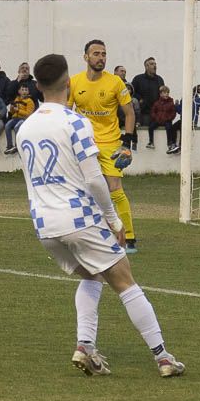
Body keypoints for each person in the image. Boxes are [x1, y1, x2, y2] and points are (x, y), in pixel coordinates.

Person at [17, 53, 184, 378]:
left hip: (44, 224)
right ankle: (164, 358)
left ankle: (85, 347)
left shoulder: (24, 129)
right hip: (78, 217)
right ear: (68, 83)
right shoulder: (74, 122)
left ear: (36, 86)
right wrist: (114, 219)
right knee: (125, 282)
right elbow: (94, 178)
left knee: (91, 277)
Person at [70, 39, 140, 254]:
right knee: (83, 189)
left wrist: (126, 142)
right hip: (84, 144)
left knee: (115, 190)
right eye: (96, 54)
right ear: (86, 57)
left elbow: (129, 112)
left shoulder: (115, 83)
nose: (101, 58)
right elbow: (66, 112)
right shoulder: (74, 82)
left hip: (110, 144)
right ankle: (88, 233)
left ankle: (128, 237)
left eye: (104, 54)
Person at [130, 57, 164, 140]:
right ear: (146, 66)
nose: (155, 66)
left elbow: (163, 93)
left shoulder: (160, 79)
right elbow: (131, 92)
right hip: (144, 113)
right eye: (152, 64)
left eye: (155, 64)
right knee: (143, 135)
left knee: (158, 135)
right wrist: (140, 99)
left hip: (157, 113)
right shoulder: (138, 79)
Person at [3, 84, 36, 155]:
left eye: (26, 90)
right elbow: (12, 112)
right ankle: (9, 146)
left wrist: (18, 110)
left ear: (28, 92)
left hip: (24, 119)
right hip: (15, 118)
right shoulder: (16, 99)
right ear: (19, 91)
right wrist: (12, 108)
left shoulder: (30, 101)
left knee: (17, 127)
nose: (24, 91)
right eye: (22, 90)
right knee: (7, 126)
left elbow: (29, 114)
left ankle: (17, 146)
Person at [149, 86, 178, 153]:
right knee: (151, 127)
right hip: (158, 120)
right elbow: (153, 111)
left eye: (168, 92)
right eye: (164, 93)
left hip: (167, 121)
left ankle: (169, 143)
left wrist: (168, 118)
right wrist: (156, 118)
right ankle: (151, 142)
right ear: (160, 94)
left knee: (169, 128)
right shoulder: (157, 103)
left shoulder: (171, 103)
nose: (166, 94)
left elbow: (173, 113)